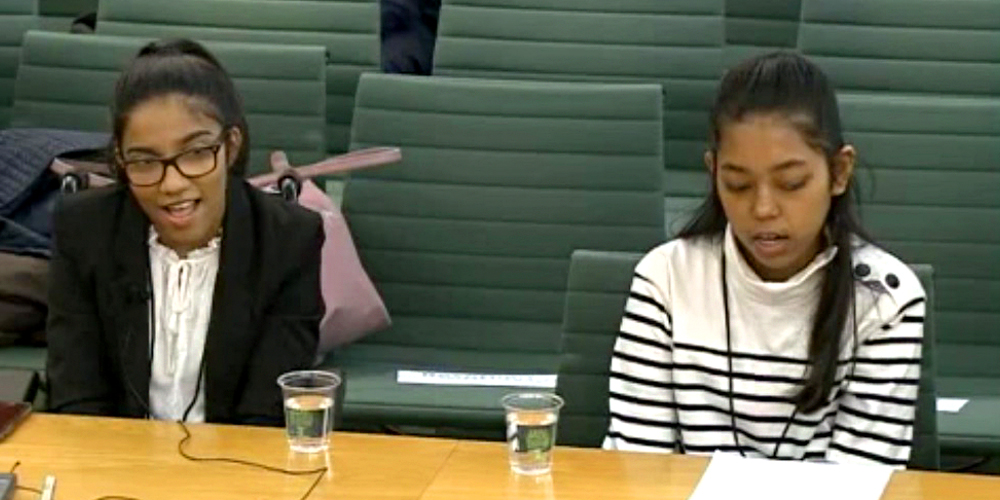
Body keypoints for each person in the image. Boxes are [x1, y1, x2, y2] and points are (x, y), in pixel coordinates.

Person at [604, 52, 925, 466]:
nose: (763, 209)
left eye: (791, 184)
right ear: (713, 172)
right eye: (737, 185)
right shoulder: (666, 280)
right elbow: (638, 469)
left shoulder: (886, 301)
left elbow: (858, 482)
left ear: (839, 172)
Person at [45, 39, 325, 426]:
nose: (173, 184)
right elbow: (76, 398)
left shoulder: (289, 239)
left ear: (230, 146)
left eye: (195, 153)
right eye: (144, 161)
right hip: (113, 467)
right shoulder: (84, 229)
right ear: (121, 162)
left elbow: (267, 414)